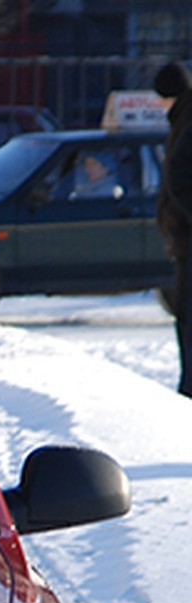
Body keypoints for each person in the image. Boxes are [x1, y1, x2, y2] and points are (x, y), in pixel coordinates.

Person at [154, 60, 192, 397]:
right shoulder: (183, 116)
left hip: (188, 237)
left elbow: (179, 174)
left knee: (187, 313)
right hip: (184, 237)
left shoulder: (187, 118)